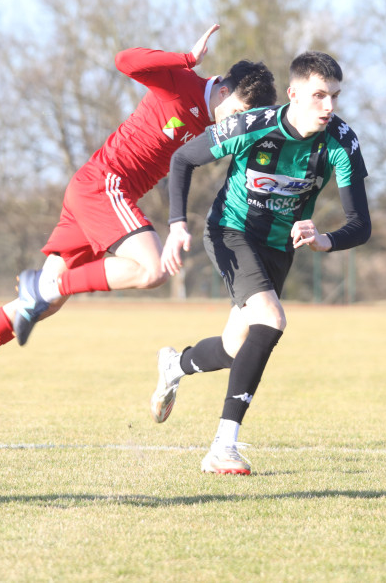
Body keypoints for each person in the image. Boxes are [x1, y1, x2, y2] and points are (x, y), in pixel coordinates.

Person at [0, 25, 277, 430]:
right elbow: (124, 61)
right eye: (235, 113)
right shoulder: (181, 82)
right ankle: (39, 288)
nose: (234, 124)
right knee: (151, 269)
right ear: (223, 90)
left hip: (93, 192)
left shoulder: (217, 123)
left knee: (46, 305)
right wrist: (185, 58)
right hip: (104, 185)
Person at [153, 51, 371, 475]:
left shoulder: (342, 142)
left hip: (277, 248)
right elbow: (182, 159)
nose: (329, 107)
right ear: (293, 94)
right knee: (271, 320)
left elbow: (360, 224)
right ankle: (222, 447)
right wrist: (177, 223)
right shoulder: (252, 125)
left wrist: (326, 239)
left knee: (237, 348)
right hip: (230, 231)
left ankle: (173, 365)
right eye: (319, 96)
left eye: (335, 97)